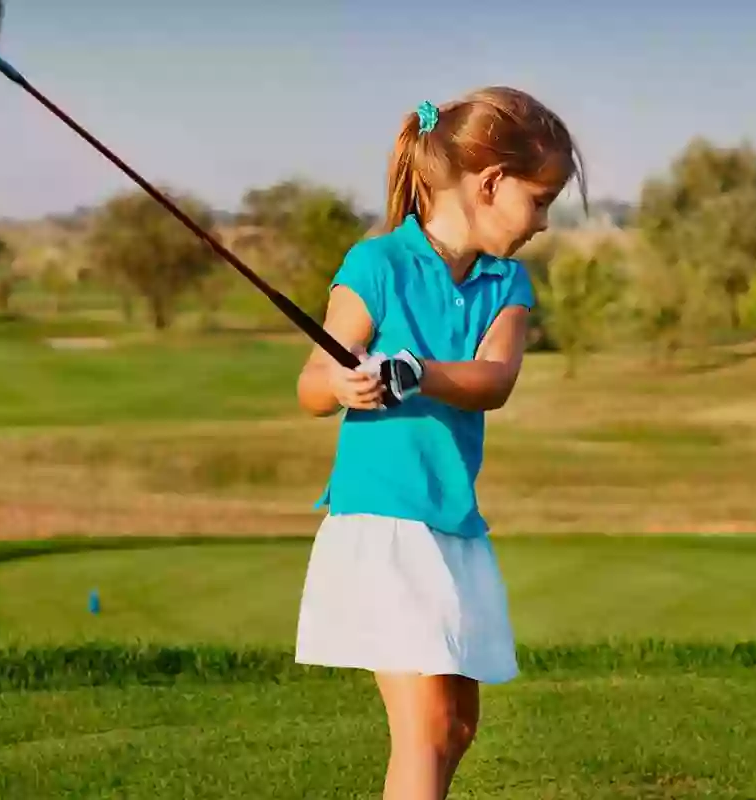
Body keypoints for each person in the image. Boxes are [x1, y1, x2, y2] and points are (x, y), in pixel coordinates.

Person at [292, 85, 584, 799]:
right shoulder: (378, 266)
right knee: (422, 730)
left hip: (451, 521)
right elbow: (309, 385)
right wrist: (344, 384)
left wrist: (417, 372)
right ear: (490, 183)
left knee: (453, 728)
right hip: (382, 522)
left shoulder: (504, 282)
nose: (543, 222)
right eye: (539, 199)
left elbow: (494, 379)